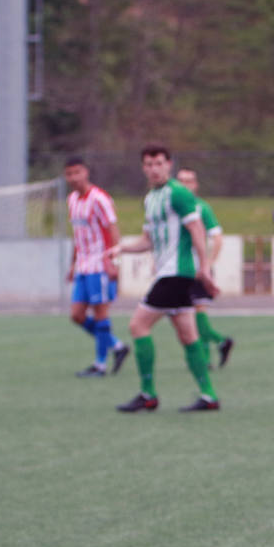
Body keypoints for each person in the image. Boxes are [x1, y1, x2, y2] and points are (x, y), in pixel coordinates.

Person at [110, 144, 221, 413]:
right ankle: (208, 396)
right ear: (143, 167)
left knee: (138, 326)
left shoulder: (178, 193)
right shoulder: (150, 198)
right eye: (148, 164)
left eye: (159, 163)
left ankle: (148, 394)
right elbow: (147, 241)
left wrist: (203, 267)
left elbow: (197, 229)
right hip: (170, 274)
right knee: (187, 334)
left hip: (175, 273)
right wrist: (121, 248)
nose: (153, 169)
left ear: (168, 165)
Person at [62, 156, 129, 377]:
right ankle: (117, 346)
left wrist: (114, 261)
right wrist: (72, 265)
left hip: (100, 264)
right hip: (82, 266)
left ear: (86, 173)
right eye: (69, 174)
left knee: (101, 314)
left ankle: (100, 365)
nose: (73, 178)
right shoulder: (71, 199)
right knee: (76, 315)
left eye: (77, 172)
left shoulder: (99, 199)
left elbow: (113, 230)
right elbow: (77, 235)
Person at [175, 168, 234, 368]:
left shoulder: (201, 208)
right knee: (189, 317)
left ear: (195, 184)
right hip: (179, 271)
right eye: (181, 181)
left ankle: (215, 347)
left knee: (197, 315)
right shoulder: (173, 208)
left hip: (199, 270)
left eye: (189, 181)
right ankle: (210, 353)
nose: (185, 185)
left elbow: (217, 237)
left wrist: (207, 264)